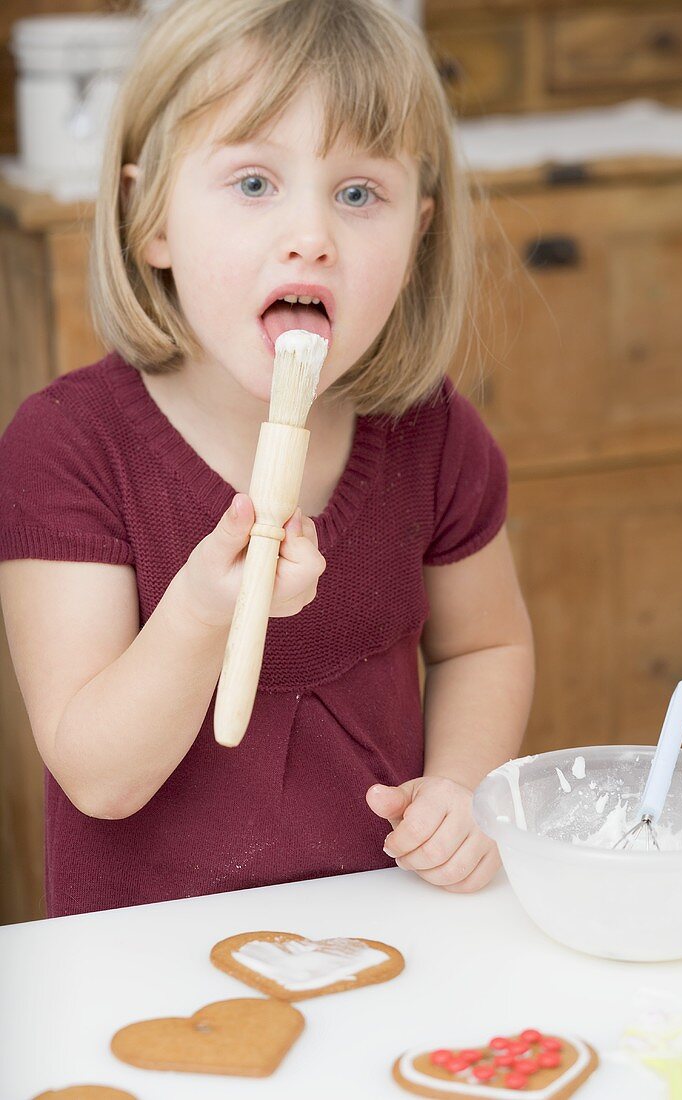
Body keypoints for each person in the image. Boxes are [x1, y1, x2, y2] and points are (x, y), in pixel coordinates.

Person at [0, 0, 534, 918]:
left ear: (419, 238)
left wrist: (462, 785)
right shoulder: (67, 450)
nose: (312, 235)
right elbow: (100, 777)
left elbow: (487, 644)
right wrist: (203, 612)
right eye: (254, 183)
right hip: (143, 964)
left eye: (360, 194)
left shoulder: (434, 435)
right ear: (150, 217)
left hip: (385, 931)